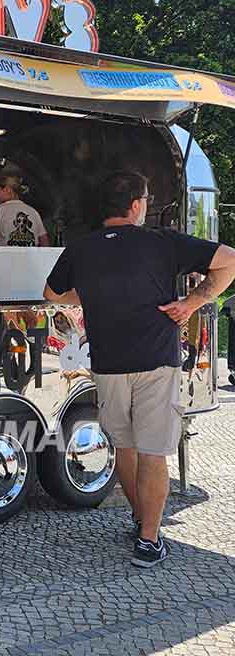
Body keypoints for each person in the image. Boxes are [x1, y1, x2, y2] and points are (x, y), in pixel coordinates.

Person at [43, 171, 235, 568]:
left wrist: (94, 295)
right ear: (135, 205)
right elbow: (230, 261)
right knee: (153, 450)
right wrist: (192, 303)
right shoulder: (163, 242)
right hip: (155, 362)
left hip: (108, 365)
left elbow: (51, 294)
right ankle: (149, 539)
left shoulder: (82, 248)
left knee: (126, 447)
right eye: (146, 199)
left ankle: (139, 518)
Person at [0, 174, 49, 247]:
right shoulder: (33, 212)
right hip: (30, 255)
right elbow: (45, 242)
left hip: (6, 254)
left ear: (7, 189)